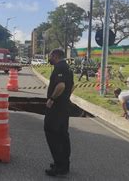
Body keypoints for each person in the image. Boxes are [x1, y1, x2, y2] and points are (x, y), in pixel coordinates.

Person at [44, 49, 74, 177]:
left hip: (56, 109)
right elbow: (72, 86)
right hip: (64, 108)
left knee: (53, 135)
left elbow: (61, 86)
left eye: (50, 56)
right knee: (63, 136)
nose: (49, 58)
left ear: (55, 56)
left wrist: (52, 99)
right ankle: (64, 164)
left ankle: (59, 166)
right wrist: (66, 98)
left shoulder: (59, 67)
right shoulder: (67, 67)